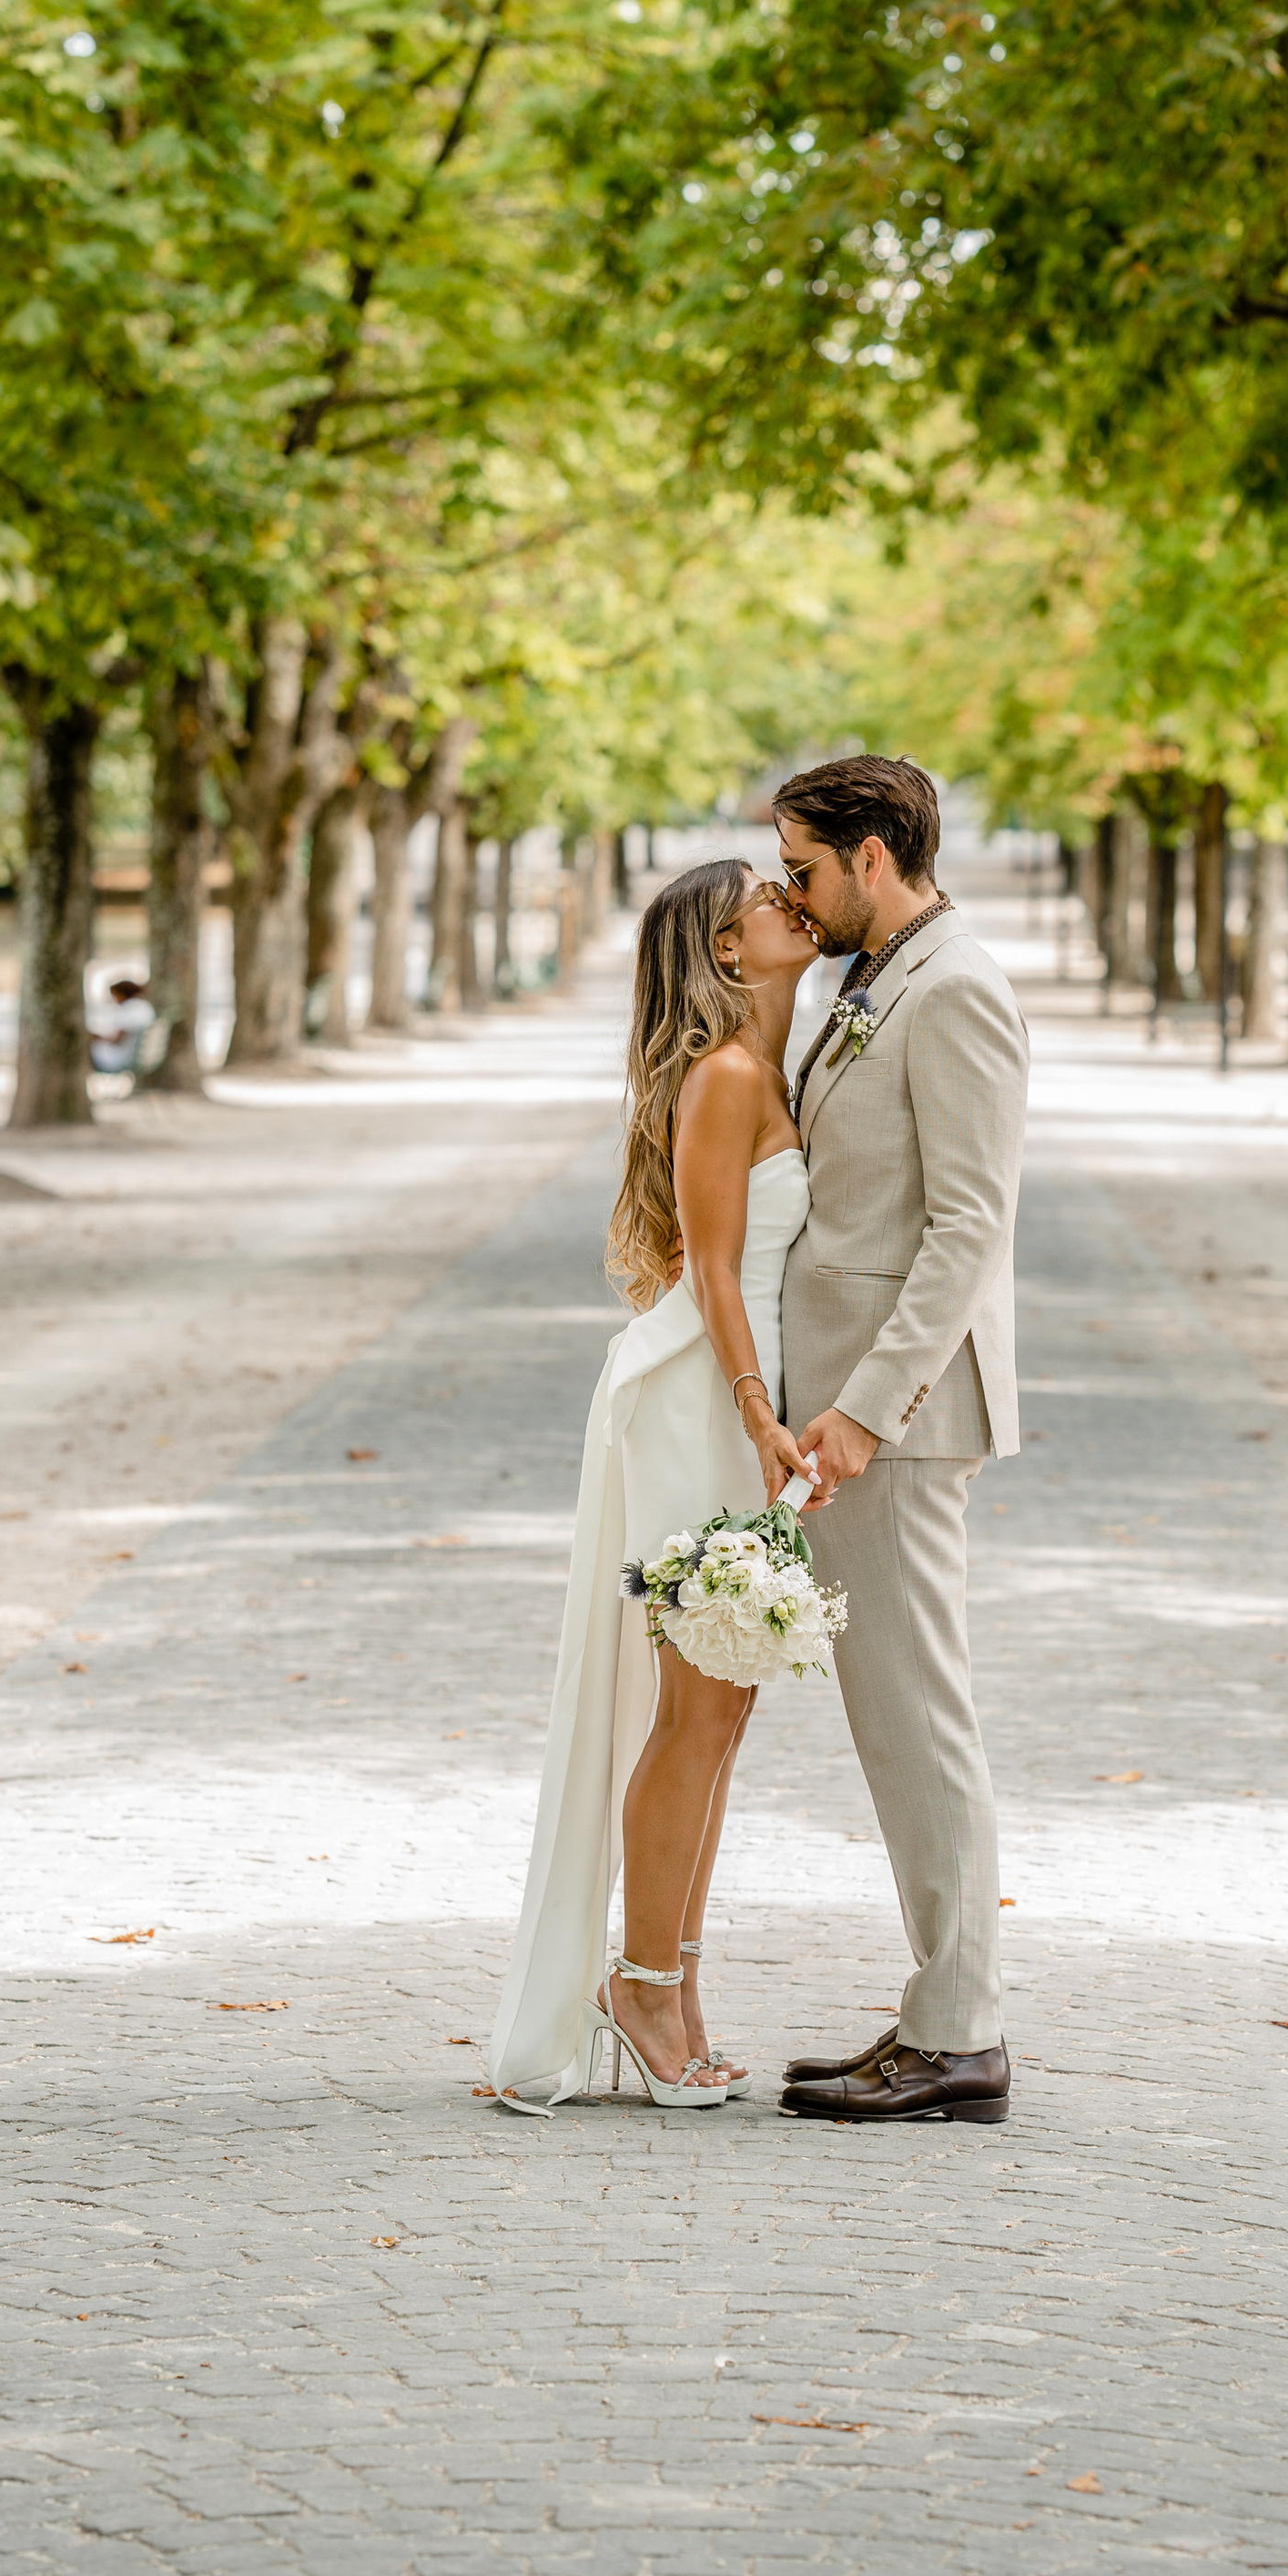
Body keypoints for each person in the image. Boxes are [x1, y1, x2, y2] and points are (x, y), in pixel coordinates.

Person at [487, 859, 823, 2113]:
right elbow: (717, 1273)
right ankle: (637, 1986)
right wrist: (757, 1412)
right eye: (762, 898)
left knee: (721, 1715)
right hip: (702, 1400)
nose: (791, 901)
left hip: (739, 1407)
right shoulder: (728, 1080)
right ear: (727, 953)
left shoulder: (769, 1065)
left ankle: (673, 1987)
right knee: (695, 1711)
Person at [768, 753, 1029, 2129]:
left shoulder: (961, 989)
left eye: (808, 870)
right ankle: (938, 2013)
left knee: (922, 1713)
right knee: (892, 1719)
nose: (796, 900)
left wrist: (868, 1409)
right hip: (844, 1401)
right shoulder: (869, 982)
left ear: (877, 853)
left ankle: (962, 2032)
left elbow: (967, 1231)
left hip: (900, 1419)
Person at [89, 976, 155, 1074]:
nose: (114, 1000)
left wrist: (98, 1038)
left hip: (123, 1059)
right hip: (141, 1057)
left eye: (115, 996)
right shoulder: (146, 1007)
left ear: (122, 994)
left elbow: (118, 1039)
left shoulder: (130, 1009)